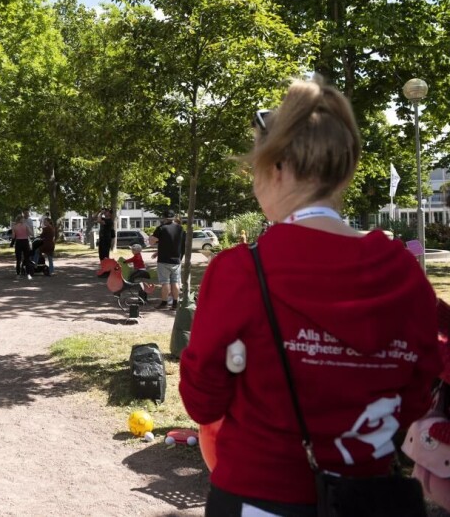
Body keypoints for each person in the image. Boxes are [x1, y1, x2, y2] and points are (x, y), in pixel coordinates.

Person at [179, 78, 440, 515]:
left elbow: (200, 399)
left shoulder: (240, 269)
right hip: (368, 498)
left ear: (278, 167)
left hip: (257, 495)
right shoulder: (404, 273)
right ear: (346, 170)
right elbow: (417, 394)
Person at [149, 211, 185, 310]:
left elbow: (152, 242)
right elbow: (181, 245)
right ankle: (175, 303)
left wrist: (150, 238)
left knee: (165, 282)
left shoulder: (161, 228)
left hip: (164, 260)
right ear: (174, 218)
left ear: (164, 218)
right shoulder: (180, 228)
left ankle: (164, 302)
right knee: (175, 282)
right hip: (176, 260)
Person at [11, 214, 32, 279]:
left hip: (18, 242)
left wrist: (12, 243)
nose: (23, 219)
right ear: (21, 219)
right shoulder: (26, 225)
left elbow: (13, 236)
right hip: (25, 241)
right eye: (23, 218)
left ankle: (18, 274)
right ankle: (28, 274)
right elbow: (31, 233)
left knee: (18, 259)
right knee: (27, 258)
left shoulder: (14, 226)